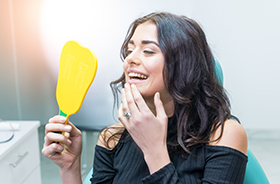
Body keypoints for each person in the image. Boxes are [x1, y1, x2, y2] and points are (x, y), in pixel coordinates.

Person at [42, 12, 248, 184]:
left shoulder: (222, 135)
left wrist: (154, 151)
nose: (130, 58)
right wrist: (70, 169)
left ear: (184, 65)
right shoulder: (111, 138)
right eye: (130, 50)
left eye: (148, 51)